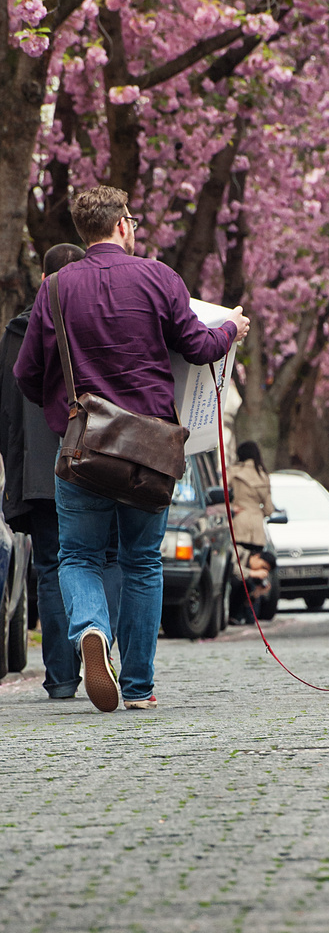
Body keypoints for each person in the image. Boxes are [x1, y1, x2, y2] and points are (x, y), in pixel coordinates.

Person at [14, 185, 250, 712]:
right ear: (123, 224)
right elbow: (199, 346)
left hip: (83, 448)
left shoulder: (54, 290)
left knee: (77, 555)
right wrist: (232, 327)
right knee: (142, 561)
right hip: (150, 449)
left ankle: (92, 629)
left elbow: (27, 373)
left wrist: (65, 414)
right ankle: (139, 688)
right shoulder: (158, 277)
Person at [0, 243, 122, 700]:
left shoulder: (16, 332)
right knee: (105, 559)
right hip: (97, 457)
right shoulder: (100, 319)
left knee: (52, 569)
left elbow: (7, 408)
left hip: (38, 469)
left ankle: (62, 679)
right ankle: (102, 646)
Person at [227, 440, 275, 623]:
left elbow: (221, 493)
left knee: (238, 568)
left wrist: (232, 507)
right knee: (256, 569)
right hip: (256, 529)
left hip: (238, 524)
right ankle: (250, 612)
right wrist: (257, 511)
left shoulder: (233, 472)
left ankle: (234, 611)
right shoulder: (263, 475)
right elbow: (269, 509)